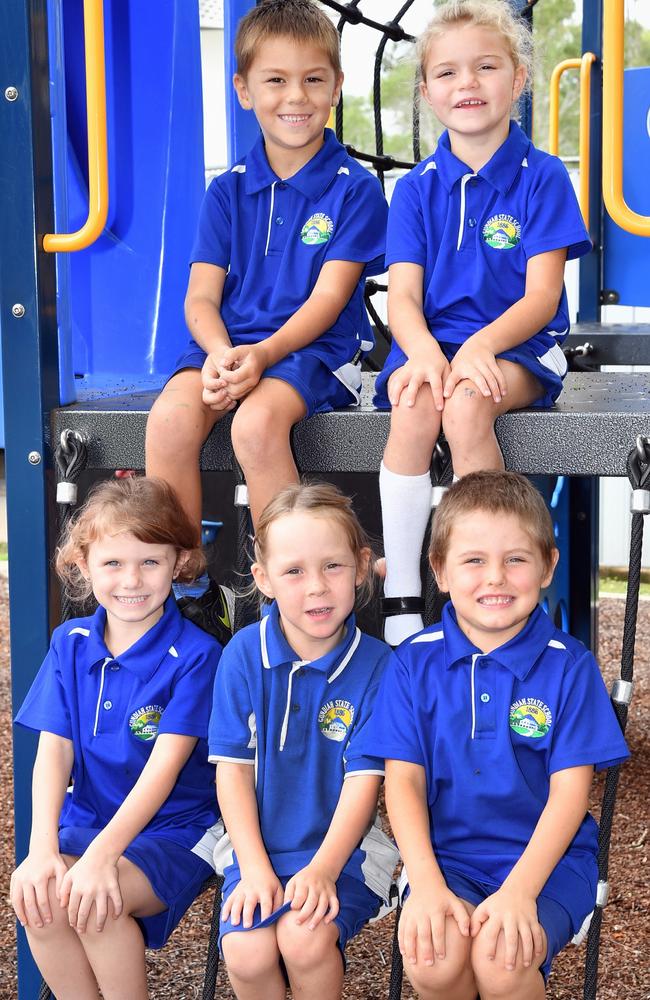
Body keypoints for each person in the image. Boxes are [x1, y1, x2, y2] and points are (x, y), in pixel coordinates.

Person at [358, 471, 629, 999]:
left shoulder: (569, 667)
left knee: (503, 961)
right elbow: (403, 786)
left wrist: (519, 893)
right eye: (474, 560)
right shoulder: (413, 664)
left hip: (548, 863)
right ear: (439, 570)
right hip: (445, 860)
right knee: (434, 962)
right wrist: (429, 887)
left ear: (548, 566)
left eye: (516, 559)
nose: (496, 578)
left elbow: (570, 795)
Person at [375, 0, 591, 646]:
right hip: (433, 346)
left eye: (485, 67)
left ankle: (484, 581)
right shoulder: (416, 187)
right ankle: (403, 591)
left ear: (519, 79)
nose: (466, 84)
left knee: (467, 409)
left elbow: (541, 296)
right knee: (415, 405)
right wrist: (421, 354)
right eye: (447, 73)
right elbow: (404, 298)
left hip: (519, 345)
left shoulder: (543, 177)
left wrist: (476, 347)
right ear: (426, 92)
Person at [145, 0, 388, 542]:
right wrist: (220, 354)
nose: (296, 96)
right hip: (228, 347)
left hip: (315, 349)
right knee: (168, 422)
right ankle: (187, 588)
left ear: (337, 86)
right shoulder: (227, 189)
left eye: (313, 79)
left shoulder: (356, 188)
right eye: (276, 80)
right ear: (244, 90)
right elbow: (201, 299)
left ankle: (287, 585)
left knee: (255, 427)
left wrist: (262, 356)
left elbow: (328, 301)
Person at [10, 477, 224, 1000]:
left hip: (175, 829)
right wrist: (40, 850)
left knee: (92, 902)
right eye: (112, 563)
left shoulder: (196, 656)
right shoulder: (70, 643)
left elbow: (163, 771)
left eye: (150, 562)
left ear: (178, 563)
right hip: (88, 820)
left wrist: (104, 857)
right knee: (34, 894)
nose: (132, 579)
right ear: (83, 566)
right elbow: (53, 753)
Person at [208, 483, 398, 1000]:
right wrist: (252, 868)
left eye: (332, 567)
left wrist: (321, 869)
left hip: (342, 851)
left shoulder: (379, 667)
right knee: (247, 953)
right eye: (294, 571)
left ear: (361, 567)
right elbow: (232, 770)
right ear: (264, 580)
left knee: (305, 938)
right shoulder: (243, 656)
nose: (316, 587)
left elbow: (364, 782)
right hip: (256, 846)